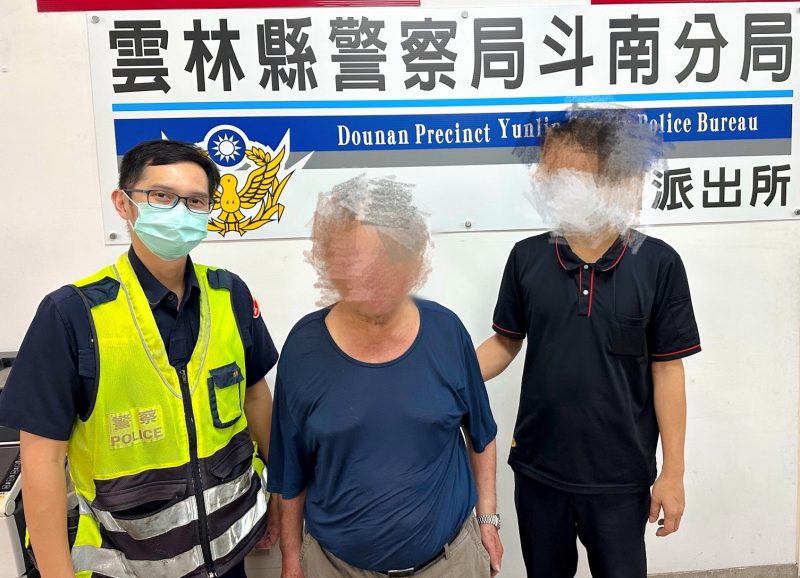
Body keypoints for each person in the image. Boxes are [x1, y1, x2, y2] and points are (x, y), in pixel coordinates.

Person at [0, 139, 279, 577]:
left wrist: (279, 492)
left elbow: (256, 396)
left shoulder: (230, 294)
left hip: (230, 556)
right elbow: (42, 459)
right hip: (126, 565)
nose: (180, 211)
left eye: (196, 201)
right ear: (123, 203)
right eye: (162, 196)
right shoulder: (72, 314)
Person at [477, 109, 701, 578]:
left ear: (613, 180)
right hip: (539, 468)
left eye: (573, 176)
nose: (553, 184)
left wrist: (673, 472)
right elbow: (504, 343)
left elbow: (667, 370)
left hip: (621, 476)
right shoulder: (527, 257)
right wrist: (444, 375)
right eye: (552, 175)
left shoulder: (658, 264)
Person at [268, 176, 502, 578]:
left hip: (450, 563)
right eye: (355, 261)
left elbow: (481, 435)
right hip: (335, 567)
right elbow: (290, 470)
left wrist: (488, 519)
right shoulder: (303, 349)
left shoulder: (446, 332)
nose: (372, 276)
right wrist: (291, 559)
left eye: (387, 258)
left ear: (411, 259)